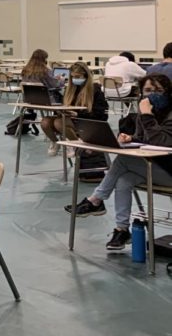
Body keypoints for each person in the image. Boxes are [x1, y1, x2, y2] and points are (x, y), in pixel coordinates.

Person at [66, 74, 172, 251]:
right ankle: (121, 230)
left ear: (168, 93)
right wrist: (130, 137)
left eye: (158, 91)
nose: (152, 95)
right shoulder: (144, 112)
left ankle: (96, 200)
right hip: (152, 167)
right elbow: (144, 138)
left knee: (123, 159)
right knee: (123, 181)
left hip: (168, 171)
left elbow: (162, 142)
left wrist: (146, 115)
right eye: (147, 90)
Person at [41, 61, 108, 155]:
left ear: (86, 76)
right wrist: (59, 110)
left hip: (86, 120)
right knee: (45, 122)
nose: (74, 79)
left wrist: (78, 114)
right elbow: (64, 105)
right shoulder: (70, 89)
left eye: (77, 77)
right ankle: (55, 142)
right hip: (70, 119)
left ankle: (75, 145)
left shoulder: (95, 90)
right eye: (72, 77)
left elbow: (101, 114)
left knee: (59, 122)